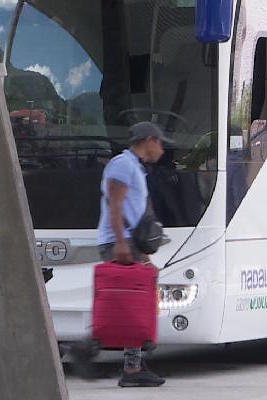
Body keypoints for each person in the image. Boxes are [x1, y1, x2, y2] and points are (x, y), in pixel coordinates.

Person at [96, 121, 170, 388]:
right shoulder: (122, 165)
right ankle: (129, 367)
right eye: (159, 143)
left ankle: (134, 365)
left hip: (130, 243)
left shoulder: (135, 167)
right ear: (147, 140)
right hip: (120, 242)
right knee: (131, 306)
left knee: (137, 305)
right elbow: (114, 205)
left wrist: (144, 255)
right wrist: (120, 243)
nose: (161, 149)